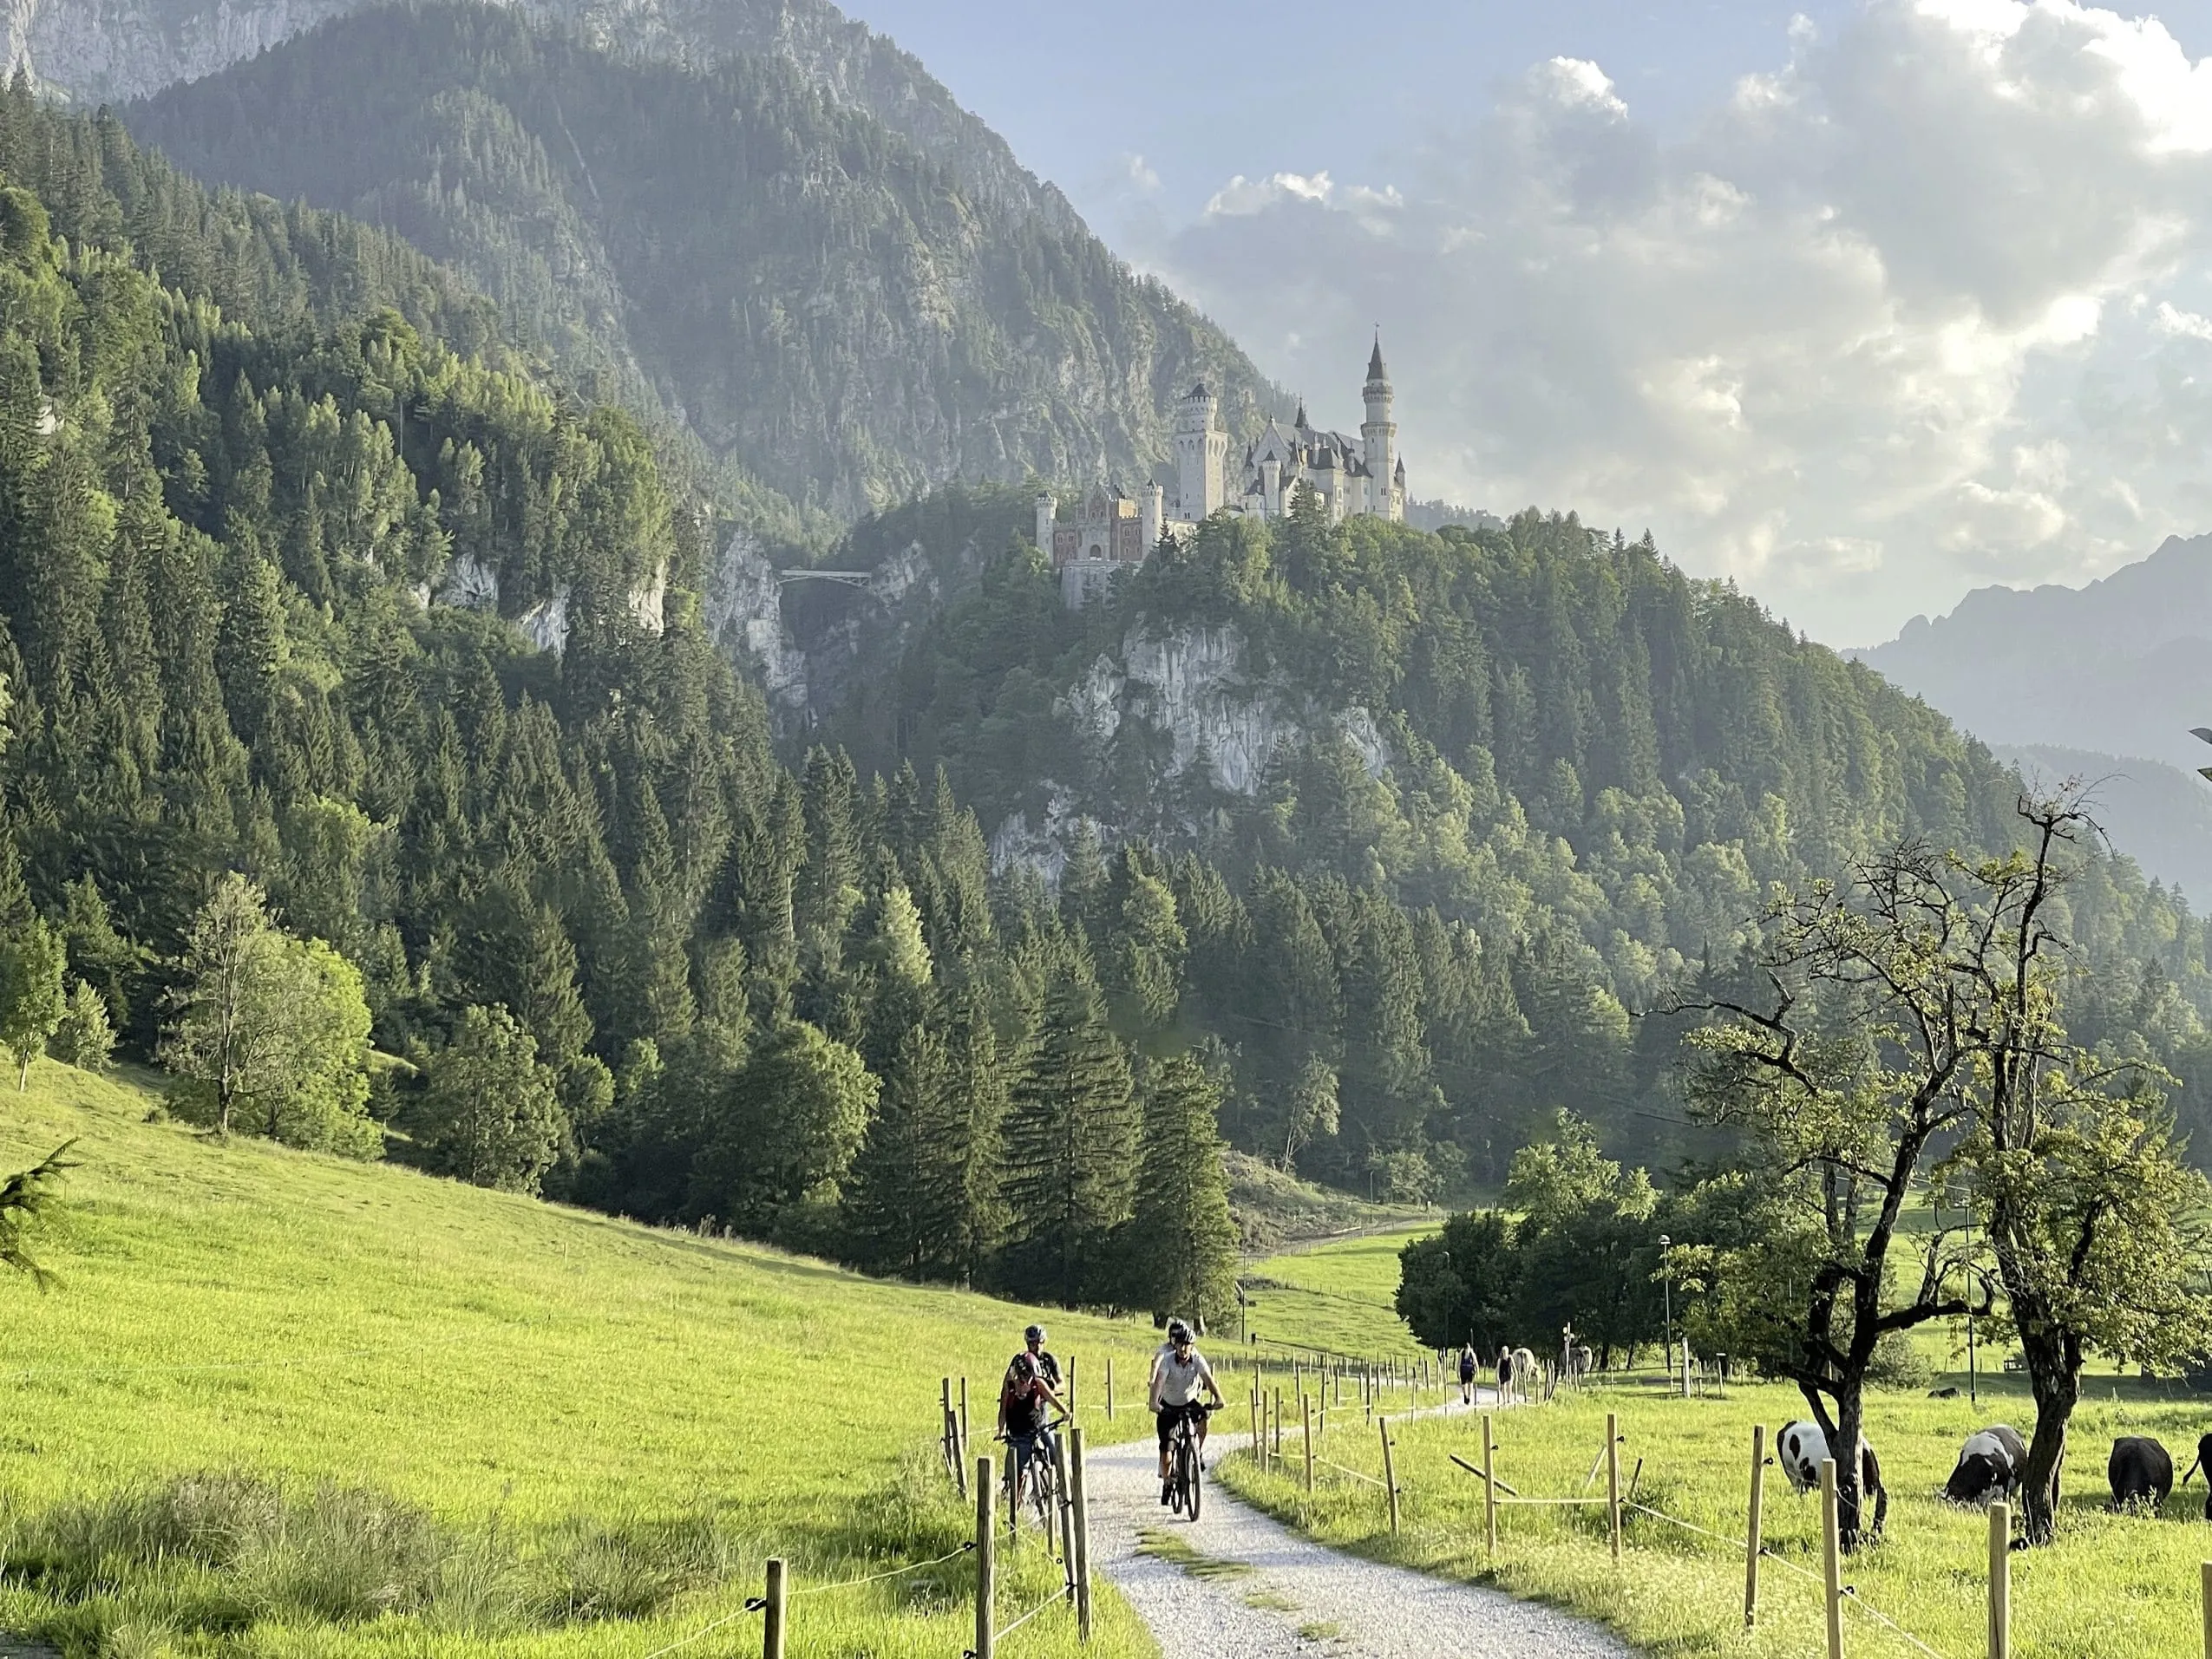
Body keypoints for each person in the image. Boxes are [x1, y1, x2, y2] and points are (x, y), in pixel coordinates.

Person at [1148, 1317, 1225, 1506]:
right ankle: (1167, 1482)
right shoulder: (1167, 1360)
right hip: (1169, 1405)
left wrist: (1218, 1398)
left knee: (1204, 1416)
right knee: (1167, 1451)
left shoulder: (1197, 1360)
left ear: (1192, 1346)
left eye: (1187, 1345)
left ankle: (1197, 1451)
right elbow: (1159, 1383)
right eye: (1180, 1344)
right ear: (1175, 1345)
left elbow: (1208, 1379)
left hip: (1189, 1402)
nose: (1183, 1349)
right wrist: (1155, 1403)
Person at [998, 1349, 1066, 1512]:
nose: (1027, 1380)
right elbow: (1003, 1410)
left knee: (1054, 1449)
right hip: (1019, 1433)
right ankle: (1015, 1506)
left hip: (1038, 1426)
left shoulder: (1038, 1383)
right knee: (1020, 1470)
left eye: (1030, 1376)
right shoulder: (1009, 1387)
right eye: (1024, 1376)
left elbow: (1052, 1399)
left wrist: (1065, 1412)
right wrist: (1001, 1430)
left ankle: (1064, 1484)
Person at [1458, 1342, 1478, 1406]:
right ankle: (1465, 1395)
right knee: (1463, 1385)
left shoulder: (1472, 1354)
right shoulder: (1462, 1354)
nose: (1467, 1351)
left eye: (1468, 1349)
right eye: (1466, 1349)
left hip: (1470, 1371)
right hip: (1463, 1371)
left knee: (1470, 1384)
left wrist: (1477, 1372)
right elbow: (1459, 1364)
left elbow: (1476, 1363)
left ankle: (1469, 1397)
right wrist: (1458, 1372)